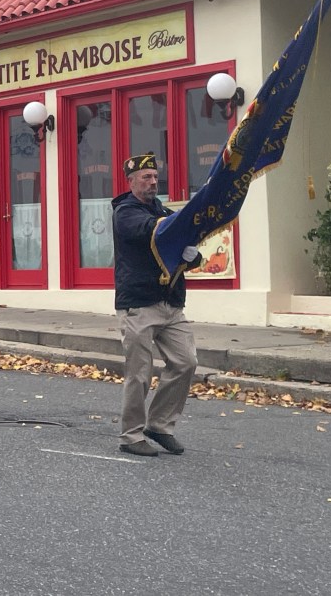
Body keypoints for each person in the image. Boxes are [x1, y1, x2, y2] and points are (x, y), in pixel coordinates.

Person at [111, 152, 201, 457]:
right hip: (139, 305)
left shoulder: (162, 211)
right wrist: (181, 225)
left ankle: (160, 425)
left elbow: (178, 246)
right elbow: (149, 230)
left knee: (186, 361)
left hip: (170, 304)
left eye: (155, 177)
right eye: (146, 177)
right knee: (139, 373)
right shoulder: (125, 212)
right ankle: (131, 436)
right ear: (132, 181)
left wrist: (193, 254)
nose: (153, 182)